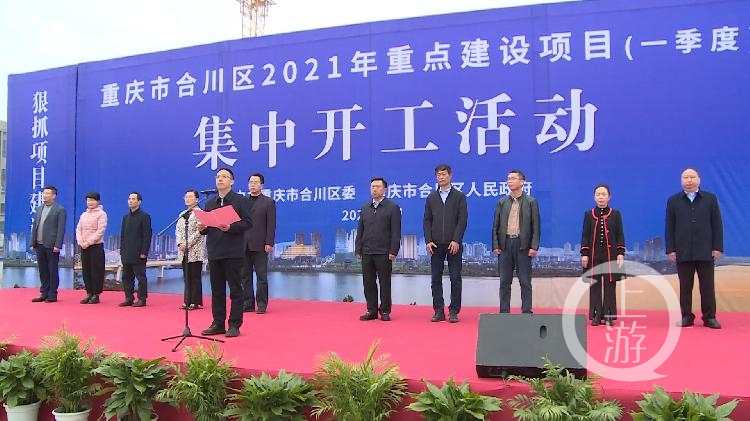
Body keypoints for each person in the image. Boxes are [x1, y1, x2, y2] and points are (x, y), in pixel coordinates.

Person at [666, 168, 723, 329]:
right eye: (685, 177)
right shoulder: (673, 201)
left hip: (706, 250)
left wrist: (717, 247)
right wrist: (671, 249)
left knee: (707, 287)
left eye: (692, 177)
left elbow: (717, 224)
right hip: (683, 250)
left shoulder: (710, 199)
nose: (689, 180)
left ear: (699, 179)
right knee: (685, 287)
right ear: (681, 180)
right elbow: (670, 226)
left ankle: (709, 317)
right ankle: (686, 316)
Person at [199, 167, 253, 338]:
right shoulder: (209, 204)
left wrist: (230, 227)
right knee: (217, 290)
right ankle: (218, 323)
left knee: (236, 290)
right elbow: (207, 229)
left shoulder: (240, 201)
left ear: (232, 181)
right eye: (218, 176)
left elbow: (248, 223)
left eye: (224, 176)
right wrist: (202, 228)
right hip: (215, 251)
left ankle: (234, 324)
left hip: (233, 251)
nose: (220, 179)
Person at [423, 163, 468, 323]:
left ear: (450, 176)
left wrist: (456, 239)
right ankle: (439, 311)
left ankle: (454, 311)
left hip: (453, 244)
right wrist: (428, 240)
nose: (441, 177)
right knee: (435, 279)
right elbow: (427, 221)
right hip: (435, 245)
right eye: (438, 175)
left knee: (455, 278)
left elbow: (462, 220)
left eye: (444, 174)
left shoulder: (459, 196)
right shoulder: (431, 198)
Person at [491, 170, 540, 314]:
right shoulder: (502, 202)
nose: (510, 181)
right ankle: (504, 312)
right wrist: (496, 245)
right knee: (504, 281)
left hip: (523, 245)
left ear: (522, 182)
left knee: (525, 281)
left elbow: (536, 226)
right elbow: (495, 226)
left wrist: (534, 246)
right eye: (508, 179)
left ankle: (526, 311)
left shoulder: (531, 202)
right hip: (505, 244)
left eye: (513, 178)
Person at [355, 177, 401, 322]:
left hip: (384, 252)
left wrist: (393, 251)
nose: (374, 189)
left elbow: (396, 232)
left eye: (378, 187)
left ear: (384, 189)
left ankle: (385, 311)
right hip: (367, 251)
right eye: (372, 187)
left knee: (384, 283)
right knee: (368, 282)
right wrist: (358, 249)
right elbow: (360, 230)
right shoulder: (365, 208)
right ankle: (372, 310)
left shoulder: (392, 208)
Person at [580, 184, 625, 326]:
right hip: (594, 254)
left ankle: (609, 315)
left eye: (604, 194)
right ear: (594, 197)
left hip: (611, 254)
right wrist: (584, 253)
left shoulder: (615, 214)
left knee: (610, 285)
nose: (601, 197)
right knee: (595, 284)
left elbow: (620, 234)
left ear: (609, 197)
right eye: (598, 194)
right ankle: (596, 314)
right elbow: (585, 235)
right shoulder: (589, 214)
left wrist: (620, 253)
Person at [242, 173, 276, 314]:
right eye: (251, 182)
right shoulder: (242, 202)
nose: (253, 185)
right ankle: (247, 303)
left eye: (256, 182)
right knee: (245, 276)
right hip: (243, 244)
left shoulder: (268, 202)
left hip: (261, 244)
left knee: (261, 276)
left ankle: (261, 304)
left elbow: (271, 224)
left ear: (262, 185)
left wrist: (269, 242)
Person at [29, 185, 66, 303]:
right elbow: (35, 226)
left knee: (52, 270)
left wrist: (58, 245)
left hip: (51, 245)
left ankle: (52, 294)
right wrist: (32, 242)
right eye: (44, 193)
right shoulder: (39, 208)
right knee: (43, 270)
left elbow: (61, 229)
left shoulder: (59, 210)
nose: (45, 195)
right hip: (39, 244)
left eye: (48, 193)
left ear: (54, 196)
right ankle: (44, 293)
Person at [119, 192, 152, 307]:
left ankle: (142, 299)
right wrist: (122, 251)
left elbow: (147, 235)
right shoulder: (125, 217)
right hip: (126, 252)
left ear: (139, 202)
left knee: (140, 277)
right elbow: (122, 236)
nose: (130, 201)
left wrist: (144, 252)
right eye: (129, 199)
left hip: (139, 253)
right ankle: (129, 298)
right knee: (126, 277)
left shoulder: (144, 216)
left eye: (133, 199)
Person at [75, 192, 108, 304]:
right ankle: (89, 293)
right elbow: (78, 229)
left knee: (96, 270)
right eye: (88, 200)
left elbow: (100, 231)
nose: (90, 202)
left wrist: (88, 242)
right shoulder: (83, 214)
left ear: (98, 201)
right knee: (86, 270)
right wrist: (80, 241)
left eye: (93, 200)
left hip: (96, 246)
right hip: (84, 246)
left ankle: (96, 294)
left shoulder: (102, 214)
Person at [175, 189, 205, 310]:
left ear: (197, 199)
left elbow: (199, 232)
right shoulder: (182, 214)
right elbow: (178, 230)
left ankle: (195, 301)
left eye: (190, 197)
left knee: (195, 276)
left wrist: (187, 244)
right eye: (186, 197)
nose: (187, 199)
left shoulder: (200, 213)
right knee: (186, 277)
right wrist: (180, 243)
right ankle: (187, 300)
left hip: (195, 250)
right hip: (183, 250)